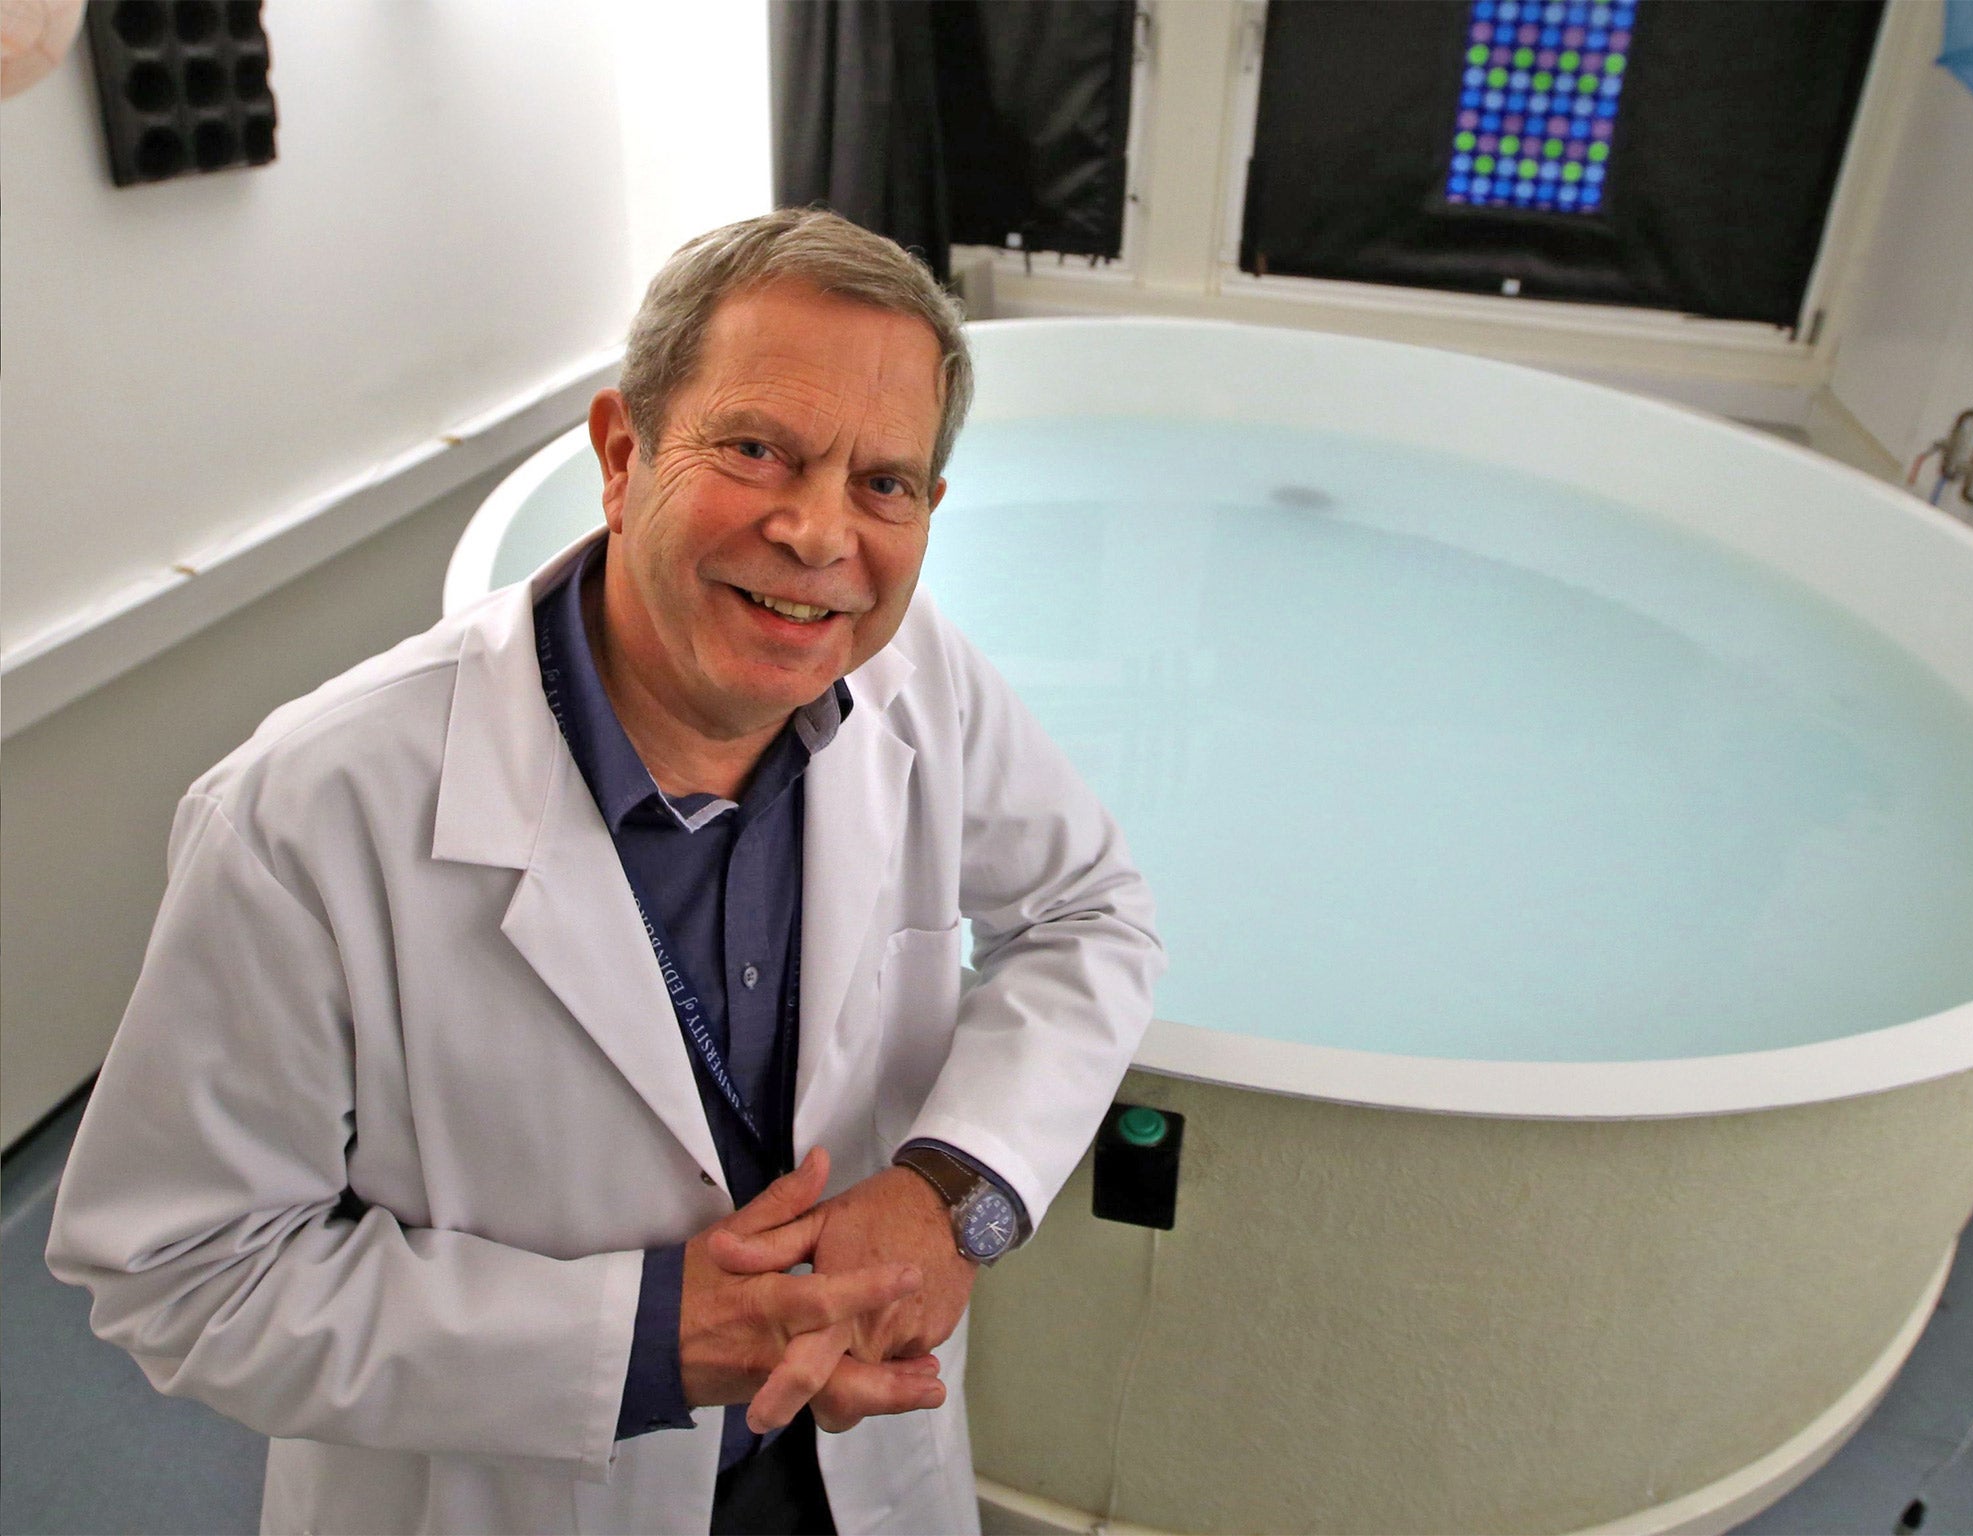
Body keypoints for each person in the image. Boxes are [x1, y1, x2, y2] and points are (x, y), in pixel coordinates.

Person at [46, 208, 1164, 1536]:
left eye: (884, 482)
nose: (820, 536)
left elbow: (1090, 916)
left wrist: (951, 1193)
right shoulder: (312, 812)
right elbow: (181, 1270)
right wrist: (641, 1337)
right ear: (623, 453)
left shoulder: (923, 684)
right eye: (758, 450)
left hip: (856, 1473)